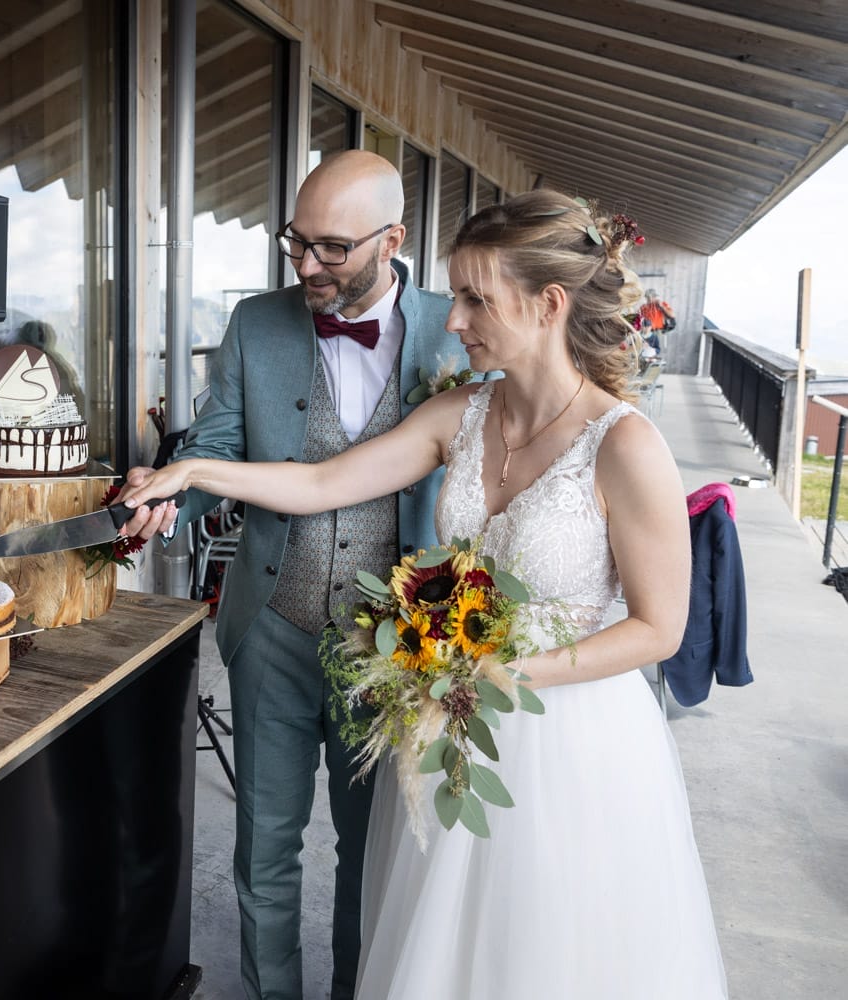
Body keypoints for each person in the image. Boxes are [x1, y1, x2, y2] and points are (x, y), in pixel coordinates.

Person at [123, 190, 729, 999]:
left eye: (478, 299)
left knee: (543, 950)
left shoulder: (626, 445)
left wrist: (507, 677)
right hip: (450, 729)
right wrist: (194, 470)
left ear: (549, 305)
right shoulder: (463, 411)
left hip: (570, 744)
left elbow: (661, 627)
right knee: (438, 944)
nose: (455, 319)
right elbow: (321, 481)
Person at [127, 150, 465, 999]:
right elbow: (216, 448)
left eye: (332, 249)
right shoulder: (256, 322)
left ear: (391, 240)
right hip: (270, 625)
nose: (307, 265)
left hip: (395, 649)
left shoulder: (454, 332)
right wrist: (172, 497)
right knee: (263, 848)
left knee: (370, 852)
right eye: (295, 243)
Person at [637, 287, 676, 353]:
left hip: (657, 331)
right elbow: (638, 319)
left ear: (655, 297)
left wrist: (661, 306)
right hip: (645, 332)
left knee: (655, 350)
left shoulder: (661, 304)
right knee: (643, 350)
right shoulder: (644, 307)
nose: (649, 299)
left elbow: (672, 315)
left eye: (651, 297)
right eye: (647, 297)